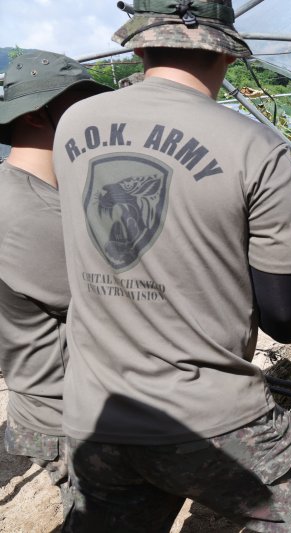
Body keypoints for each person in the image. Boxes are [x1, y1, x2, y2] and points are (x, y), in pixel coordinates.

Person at [52, 1, 291, 531]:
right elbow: (284, 320)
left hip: (97, 414)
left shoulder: (73, 125)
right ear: (226, 52)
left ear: (138, 45)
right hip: (212, 419)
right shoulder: (257, 147)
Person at [0, 50, 110, 513]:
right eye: (78, 103)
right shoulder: (29, 213)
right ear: (35, 117)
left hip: (47, 398)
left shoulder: (26, 194)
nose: (90, 117)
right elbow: (109, 303)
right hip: (66, 413)